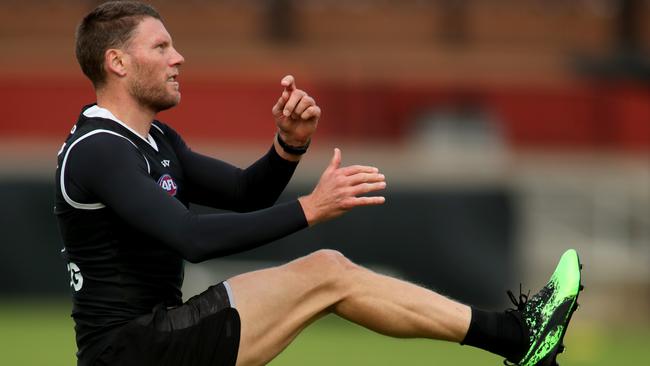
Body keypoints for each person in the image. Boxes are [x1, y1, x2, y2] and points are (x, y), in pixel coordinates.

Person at [54, 2, 583, 366]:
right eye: (162, 46)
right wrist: (310, 207)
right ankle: (519, 337)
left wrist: (289, 144)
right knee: (327, 273)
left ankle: (518, 337)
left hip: (159, 334)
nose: (178, 58)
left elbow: (245, 193)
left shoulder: (154, 138)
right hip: (132, 352)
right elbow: (192, 238)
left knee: (330, 272)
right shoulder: (100, 149)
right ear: (117, 62)